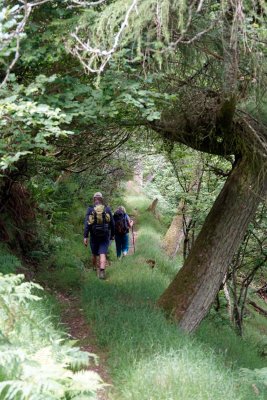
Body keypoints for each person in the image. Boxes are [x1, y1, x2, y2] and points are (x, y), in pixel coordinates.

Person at [83, 192, 114, 279]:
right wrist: (112, 235)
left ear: (94, 199)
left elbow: (87, 224)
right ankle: (102, 272)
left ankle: (94, 269)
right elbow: (112, 224)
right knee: (102, 253)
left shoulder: (90, 209)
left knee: (94, 254)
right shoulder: (107, 209)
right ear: (102, 199)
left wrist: (85, 236)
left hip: (94, 236)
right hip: (105, 235)